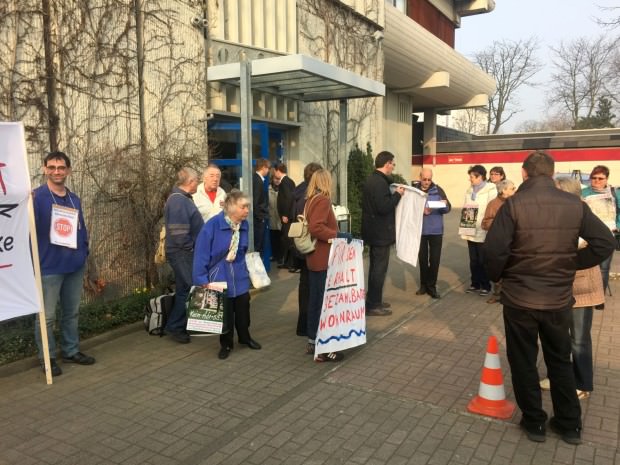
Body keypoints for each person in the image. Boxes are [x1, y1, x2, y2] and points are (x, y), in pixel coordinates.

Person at [484, 150, 615, 445]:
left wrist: (500, 276)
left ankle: (534, 422)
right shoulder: (574, 204)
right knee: (560, 360)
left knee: (523, 361)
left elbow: (493, 251)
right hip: (557, 299)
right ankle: (569, 425)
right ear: (553, 173)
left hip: (519, 299)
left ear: (523, 172)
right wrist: (570, 263)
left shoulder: (513, 204)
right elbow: (605, 242)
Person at [538, 177, 605, 401]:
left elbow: (602, 243)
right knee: (557, 336)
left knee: (579, 338)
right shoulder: (554, 213)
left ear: (566, 193)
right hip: (558, 286)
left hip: (582, 287)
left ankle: (583, 382)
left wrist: (573, 260)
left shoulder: (583, 211)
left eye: (555, 191)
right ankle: (558, 376)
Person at [33, 151, 95, 377]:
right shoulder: (36, 198)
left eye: (61, 168)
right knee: (46, 317)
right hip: (48, 267)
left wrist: (83, 251)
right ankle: (47, 358)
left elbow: (81, 228)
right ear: (45, 169)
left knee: (71, 313)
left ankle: (70, 350)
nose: (56, 171)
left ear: (68, 170)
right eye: (52, 167)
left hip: (73, 266)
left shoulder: (73, 198)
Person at [193, 190, 261, 360]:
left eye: (248, 207)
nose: (247, 210)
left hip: (239, 276)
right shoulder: (212, 225)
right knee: (225, 314)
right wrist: (202, 280)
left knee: (243, 310)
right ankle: (226, 344)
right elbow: (201, 254)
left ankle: (245, 338)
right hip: (219, 277)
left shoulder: (243, 225)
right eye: (243, 207)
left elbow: (243, 249)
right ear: (231, 208)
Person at [304, 169, 344, 362]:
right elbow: (316, 227)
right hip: (322, 258)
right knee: (322, 304)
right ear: (326, 181)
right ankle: (322, 348)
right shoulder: (322, 200)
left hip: (314, 258)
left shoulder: (310, 200)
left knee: (315, 301)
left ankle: (313, 342)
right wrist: (337, 235)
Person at [361, 151, 405, 316]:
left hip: (374, 232)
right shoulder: (379, 183)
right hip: (380, 234)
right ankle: (373, 305)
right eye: (393, 164)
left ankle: (374, 300)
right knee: (379, 269)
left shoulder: (372, 179)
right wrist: (398, 196)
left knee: (375, 268)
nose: (393, 167)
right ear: (387, 163)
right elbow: (383, 207)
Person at [164, 167, 203, 344]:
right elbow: (179, 233)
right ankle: (175, 326)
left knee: (183, 289)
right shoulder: (179, 201)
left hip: (182, 252)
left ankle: (178, 325)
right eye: (197, 181)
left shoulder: (182, 198)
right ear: (190, 182)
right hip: (182, 253)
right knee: (189, 288)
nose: (198, 183)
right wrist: (192, 247)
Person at [581, 165, 620, 308]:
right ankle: (585, 295)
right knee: (586, 265)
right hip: (586, 236)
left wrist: (618, 224)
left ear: (606, 179)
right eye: (593, 178)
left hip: (607, 235)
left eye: (600, 178)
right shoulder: (583, 192)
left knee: (603, 268)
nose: (596, 180)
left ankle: (599, 299)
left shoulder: (615, 193)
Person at [291, 162, 323, 336]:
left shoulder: (297, 192)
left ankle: (302, 325)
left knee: (304, 285)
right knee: (312, 287)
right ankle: (310, 325)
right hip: (311, 245)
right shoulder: (312, 195)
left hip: (299, 244)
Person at [412, 168, 451, 299]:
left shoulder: (438, 190)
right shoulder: (414, 191)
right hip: (420, 231)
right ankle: (423, 285)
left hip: (436, 231)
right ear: (420, 177)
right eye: (424, 179)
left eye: (429, 179)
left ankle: (432, 287)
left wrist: (443, 205)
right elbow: (408, 209)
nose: (427, 182)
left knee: (434, 260)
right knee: (422, 260)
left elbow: (448, 208)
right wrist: (421, 210)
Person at [460, 165, 497, 296]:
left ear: (480, 177)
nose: (470, 179)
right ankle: (475, 283)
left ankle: (485, 285)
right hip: (470, 229)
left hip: (483, 230)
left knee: (483, 260)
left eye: (472, 177)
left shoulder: (490, 190)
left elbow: (492, 210)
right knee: (473, 260)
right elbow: (466, 208)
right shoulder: (469, 190)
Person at [481, 179, 516, 304]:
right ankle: (497, 294)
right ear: (503, 190)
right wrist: (499, 223)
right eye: (512, 188)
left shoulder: (515, 203)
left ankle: (509, 294)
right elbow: (485, 223)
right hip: (498, 243)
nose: (515, 190)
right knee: (498, 268)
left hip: (512, 242)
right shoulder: (493, 204)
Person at [274, 163, 296, 270]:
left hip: (287, 216)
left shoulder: (284, 183)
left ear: (278, 170)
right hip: (289, 216)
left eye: (274, 171)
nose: (274, 173)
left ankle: (290, 263)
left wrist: (285, 214)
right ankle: (287, 262)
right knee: (286, 238)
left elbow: (287, 199)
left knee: (287, 239)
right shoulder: (290, 181)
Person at [252, 158, 271, 253]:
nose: (268, 171)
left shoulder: (257, 179)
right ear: (263, 168)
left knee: (259, 245)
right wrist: (261, 217)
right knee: (258, 246)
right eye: (268, 168)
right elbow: (256, 200)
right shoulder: (258, 181)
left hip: (259, 217)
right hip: (259, 219)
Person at [268, 174, 282, 263]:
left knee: (281, 239)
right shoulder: (268, 189)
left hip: (280, 218)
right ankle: (275, 255)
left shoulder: (283, 189)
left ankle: (281, 257)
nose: (277, 180)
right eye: (275, 179)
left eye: (278, 179)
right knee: (273, 238)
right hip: (272, 217)